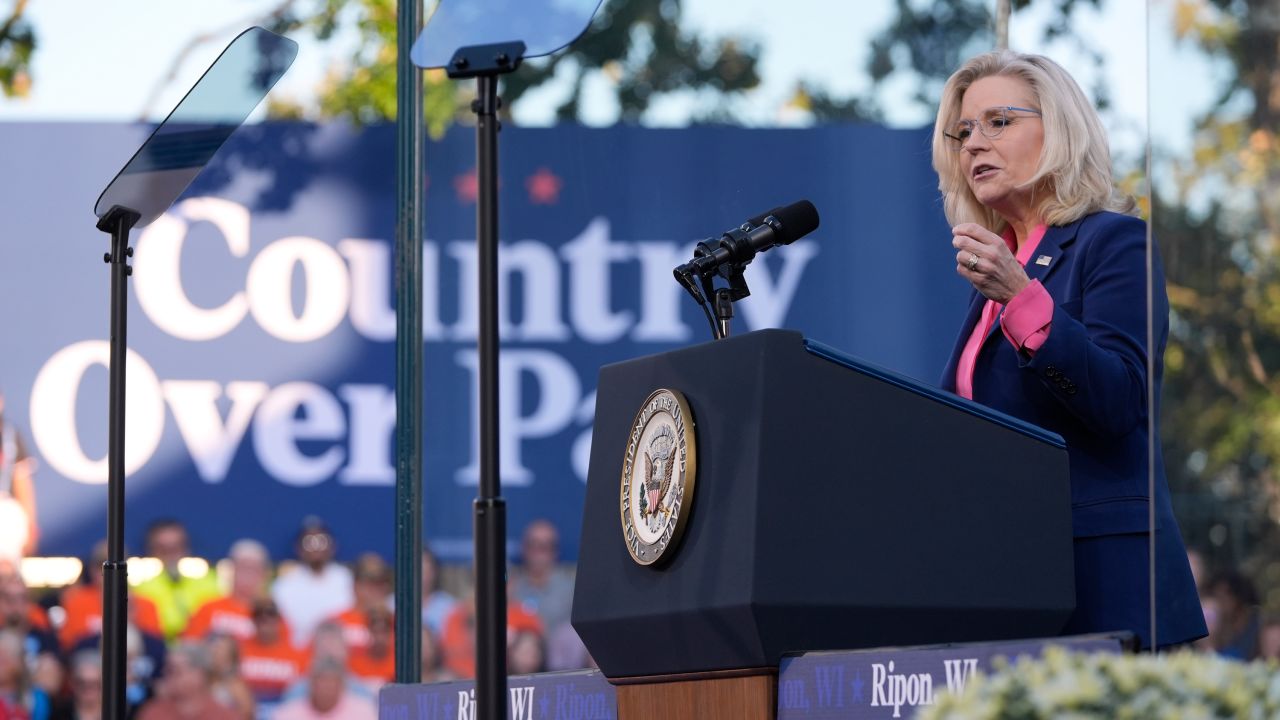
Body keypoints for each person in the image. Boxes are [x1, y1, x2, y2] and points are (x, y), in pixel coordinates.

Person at [933, 50, 1205, 649]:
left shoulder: (1114, 242)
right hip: (1010, 581)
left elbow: (1117, 398)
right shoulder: (1000, 271)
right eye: (963, 131)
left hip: (1101, 584)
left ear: (1058, 131)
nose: (974, 143)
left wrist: (1024, 299)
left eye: (998, 122)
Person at [58, 540, 163, 652]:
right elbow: (69, 644)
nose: (109, 572)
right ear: (92, 569)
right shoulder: (76, 601)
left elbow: (155, 645)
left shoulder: (145, 603)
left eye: (118, 566)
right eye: (101, 565)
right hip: (93, 660)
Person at [131, 520, 221, 642]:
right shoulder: (136, 582)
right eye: (163, 549)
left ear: (186, 548)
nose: (171, 555)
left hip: (200, 650)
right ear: (151, 549)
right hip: (154, 649)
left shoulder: (208, 579)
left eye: (176, 547)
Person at [272, 518, 353, 649]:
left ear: (333, 546)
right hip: (299, 657)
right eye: (308, 542)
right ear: (298, 548)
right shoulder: (283, 585)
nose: (315, 547)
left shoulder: (347, 580)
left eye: (321, 541)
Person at [184, 539, 279, 643]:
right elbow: (189, 647)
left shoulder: (270, 616)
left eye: (254, 569)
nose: (247, 574)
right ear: (232, 570)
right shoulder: (209, 609)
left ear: (264, 574)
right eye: (242, 567)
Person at [135, 641, 237, 720]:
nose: (166, 675)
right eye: (166, 669)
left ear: (198, 675)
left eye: (174, 670)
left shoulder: (223, 716)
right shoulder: (153, 713)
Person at [509, 521, 575, 635]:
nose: (538, 553)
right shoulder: (512, 587)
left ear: (555, 552)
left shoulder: (570, 590)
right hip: (521, 650)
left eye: (544, 547)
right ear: (524, 549)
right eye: (532, 545)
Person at [0, 389, 38, 563]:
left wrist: (30, 525)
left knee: (9, 568)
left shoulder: (10, 435)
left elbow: (21, 480)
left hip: (5, 510)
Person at [272, 657, 376, 720]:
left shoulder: (364, 713)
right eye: (321, 681)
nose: (326, 688)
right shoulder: (287, 714)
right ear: (311, 683)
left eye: (331, 683)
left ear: (341, 686)